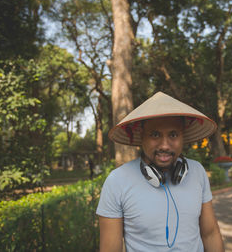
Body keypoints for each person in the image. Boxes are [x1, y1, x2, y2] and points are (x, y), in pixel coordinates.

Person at [96, 92, 225, 251]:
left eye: (173, 134)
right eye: (155, 134)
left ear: (182, 137)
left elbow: (210, 234)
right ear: (141, 137)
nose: (164, 145)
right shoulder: (117, 181)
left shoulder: (197, 171)